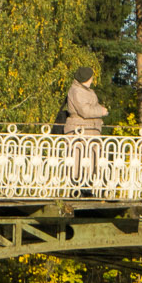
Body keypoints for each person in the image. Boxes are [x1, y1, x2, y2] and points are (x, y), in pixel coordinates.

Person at [62, 66, 108, 196]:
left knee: (91, 160)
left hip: (90, 131)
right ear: (87, 78)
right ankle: (77, 188)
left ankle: (87, 186)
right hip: (79, 131)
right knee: (78, 159)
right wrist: (101, 111)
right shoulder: (77, 91)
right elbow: (85, 111)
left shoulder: (85, 90)